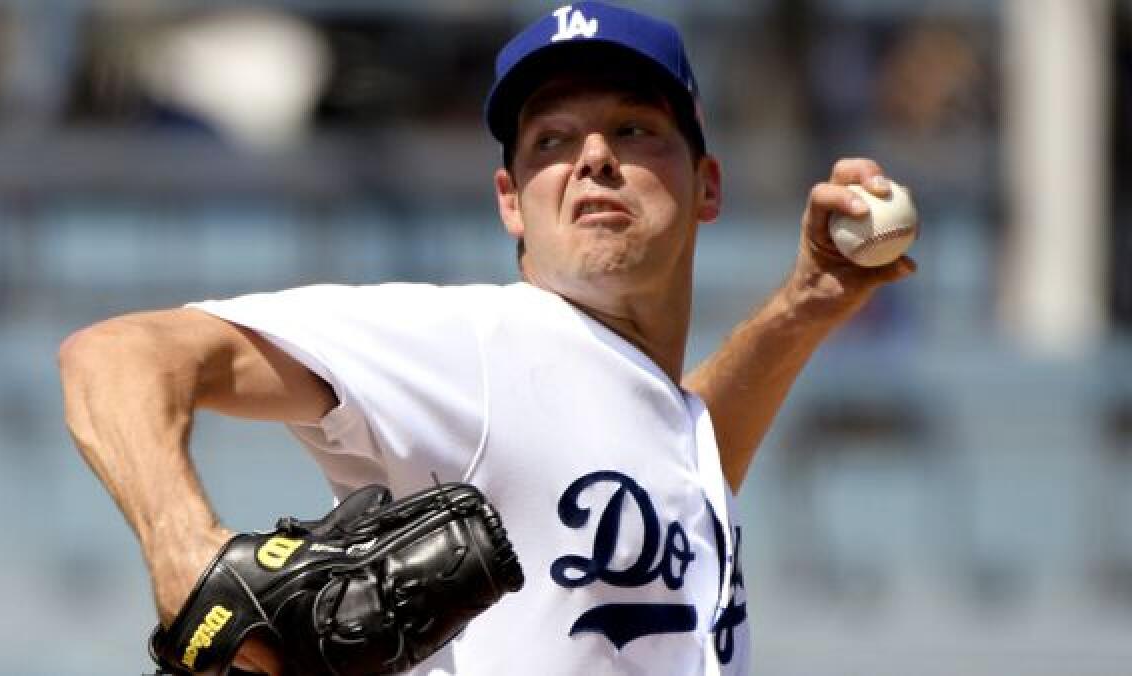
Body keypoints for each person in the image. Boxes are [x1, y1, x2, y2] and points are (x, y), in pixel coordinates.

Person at [59, 3, 914, 675]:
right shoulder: (475, 344)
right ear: (511, 199)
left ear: (708, 185)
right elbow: (118, 353)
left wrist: (802, 305)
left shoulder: (643, 405)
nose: (594, 159)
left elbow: (669, 462)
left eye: (633, 129)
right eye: (552, 140)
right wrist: (181, 545)